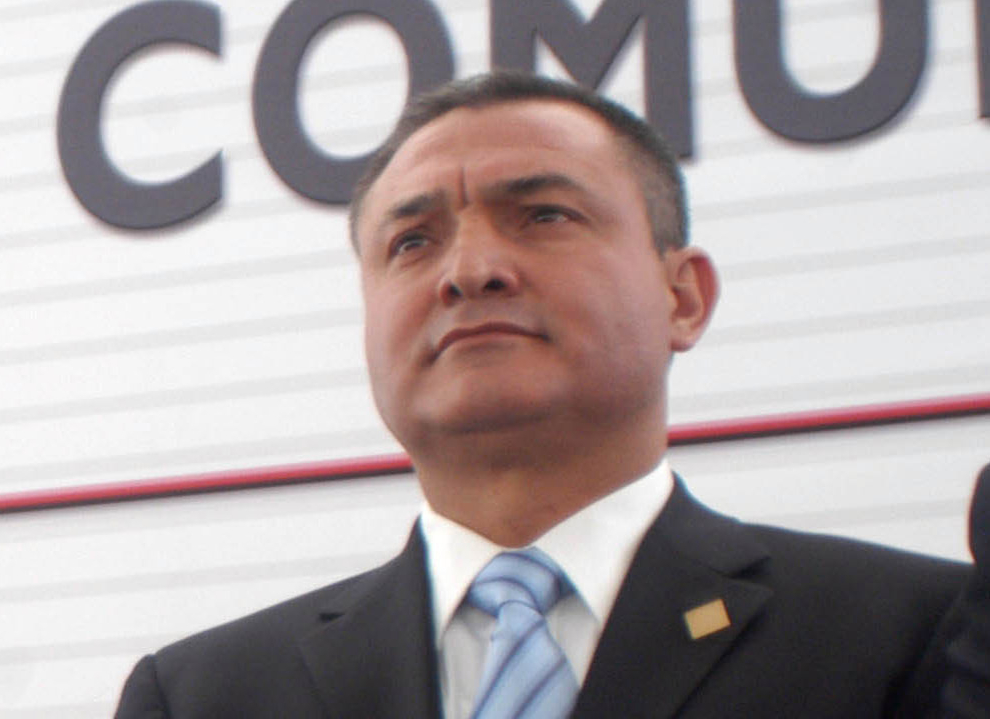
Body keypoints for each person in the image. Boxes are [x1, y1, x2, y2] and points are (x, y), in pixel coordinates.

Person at [114, 71, 984, 718]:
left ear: (682, 297)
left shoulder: (915, 633)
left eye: (542, 215)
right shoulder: (201, 695)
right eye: (412, 241)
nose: (469, 270)